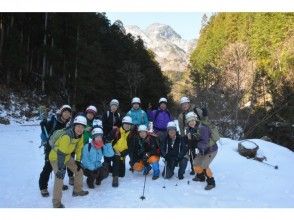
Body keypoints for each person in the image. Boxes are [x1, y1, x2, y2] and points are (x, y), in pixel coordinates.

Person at [49, 115, 89, 208]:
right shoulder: (66, 136)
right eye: (78, 126)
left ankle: (77, 190)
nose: (80, 129)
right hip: (56, 157)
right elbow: (60, 153)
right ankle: (56, 203)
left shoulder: (80, 136)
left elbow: (79, 149)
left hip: (66, 156)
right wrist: (61, 168)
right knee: (60, 176)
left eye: (82, 127)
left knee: (79, 170)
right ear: (74, 125)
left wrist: (78, 161)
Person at [39, 104, 72, 197]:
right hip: (51, 148)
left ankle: (59, 184)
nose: (66, 114)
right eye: (65, 112)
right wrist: (43, 125)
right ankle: (43, 187)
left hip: (62, 149)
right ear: (61, 112)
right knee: (48, 167)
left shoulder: (68, 124)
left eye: (68, 113)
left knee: (61, 167)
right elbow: (45, 131)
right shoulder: (53, 121)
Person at [192, 107, 218, 190]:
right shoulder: (197, 124)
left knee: (204, 165)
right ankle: (200, 176)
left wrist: (195, 142)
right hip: (203, 149)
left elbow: (204, 142)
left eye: (197, 115)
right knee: (196, 162)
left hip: (211, 150)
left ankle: (211, 182)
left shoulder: (204, 125)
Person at [110, 116, 133, 187]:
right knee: (116, 158)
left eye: (129, 124)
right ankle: (115, 178)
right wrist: (115, 151)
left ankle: (111, 169)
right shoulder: (116, 131)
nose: (127, 126)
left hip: (122, 155)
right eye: (126, 124)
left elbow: (130, 148)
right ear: (122, 124)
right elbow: (109, 142)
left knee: (122, 174)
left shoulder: (131, 135)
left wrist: (122, 154)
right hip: (113, 152)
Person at [102, 99, 121, 173]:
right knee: (106, 151)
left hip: (115, 136)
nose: (114, 107)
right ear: (110, 106)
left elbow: (119, 124)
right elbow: (103, 124)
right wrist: (111, 127)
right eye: (113, 105)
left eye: (115, 106)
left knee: (113, 150)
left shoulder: (118, 115)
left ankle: (114, 165)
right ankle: (107, 166)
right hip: (106, 136)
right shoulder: (106, 113)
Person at [177, 96, 195, 174]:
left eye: (186, 103)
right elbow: (181, 128)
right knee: (191, 151)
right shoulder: (181, 116)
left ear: (189, 103)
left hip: (197, 133)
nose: (184, 105)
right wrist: (183, 136)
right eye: (183, 104)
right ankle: (193, 168)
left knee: (199, 151)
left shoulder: (195, 110)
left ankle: (201, 166)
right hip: (188, 134)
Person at [185, 111, 200, 179]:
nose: (191, 122)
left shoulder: (198, 128)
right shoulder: (188, 129)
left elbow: (199, 136)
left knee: (198, 158)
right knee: (191, 157)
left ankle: (199, 169)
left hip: (198, 146)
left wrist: (192, 137)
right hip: (191, 146)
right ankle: (193, 169)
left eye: (193, 120)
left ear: (195, 120)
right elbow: (187, 138)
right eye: (189, 121)